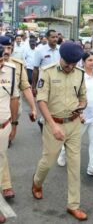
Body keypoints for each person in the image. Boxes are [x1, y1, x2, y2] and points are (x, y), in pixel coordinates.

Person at [31, 42, 88, 221]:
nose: (70, 67)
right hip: (53, 124)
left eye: (74, 64)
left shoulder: (80, 74)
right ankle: (37, 183)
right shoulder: (47, 72)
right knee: (48, 162)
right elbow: (41, 101)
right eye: (67, 63)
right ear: (61, 57)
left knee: (74, 165)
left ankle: (73, 205)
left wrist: (81, 108)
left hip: (73, 125)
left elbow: (83, 98)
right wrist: (53, 126)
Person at [0, 36, 37, 200]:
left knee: (2, 152)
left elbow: (25, 88)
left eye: (10, 47)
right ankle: (6, 185)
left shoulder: (17, 66)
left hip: (10, 114)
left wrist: (33, 107)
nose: (7, 51)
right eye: (4, 48)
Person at [0, 45, 20, 224]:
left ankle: (5, 185)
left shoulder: (11, 71)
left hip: (3, 125)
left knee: (1, 157)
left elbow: (14, 98)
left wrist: (14, 124)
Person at [32, 30, 60, 96]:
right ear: (47, 38)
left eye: (56, 37)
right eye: (53, 37)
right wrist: (33, 87)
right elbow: (35, 69)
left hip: (58, 82)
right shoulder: (40, 51)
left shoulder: (61, 49)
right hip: (44, 82)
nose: (55, 39)